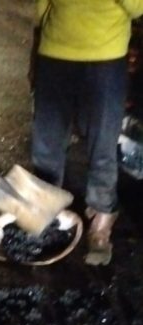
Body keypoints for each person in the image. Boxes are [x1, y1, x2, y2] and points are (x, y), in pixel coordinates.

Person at [30, 0, 143, 266]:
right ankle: (42, 216)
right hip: (54, 53)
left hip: (106, 58)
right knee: (46, 145)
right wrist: (37, 49)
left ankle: (102, 217)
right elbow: (43, 8)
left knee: (102, 144)